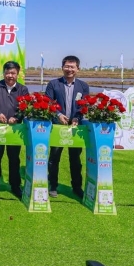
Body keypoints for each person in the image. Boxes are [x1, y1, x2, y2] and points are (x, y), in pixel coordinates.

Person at [45, 55, 90, 199]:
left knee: (75, 159)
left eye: (72, 67)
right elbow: (48, 102)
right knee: (54, 158)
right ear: (62, 67)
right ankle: (52, 186)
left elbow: (84, 106)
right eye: (67, 66)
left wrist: (77, 117)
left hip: (76, 128)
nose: (69, 69)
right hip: (58, 126)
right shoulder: (53, 84)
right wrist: (58, 115)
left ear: (78, 69)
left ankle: (76, 187)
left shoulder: (83, 86)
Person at [0, 61, 30, 198]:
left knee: (14, 158)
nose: (10, 75)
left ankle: (15, 185)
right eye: (7, 72)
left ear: (18, 74)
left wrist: (16, 117)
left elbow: (25, 106)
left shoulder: (23, 89)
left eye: (13, 73)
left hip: (15, 129)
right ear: (3, 73)